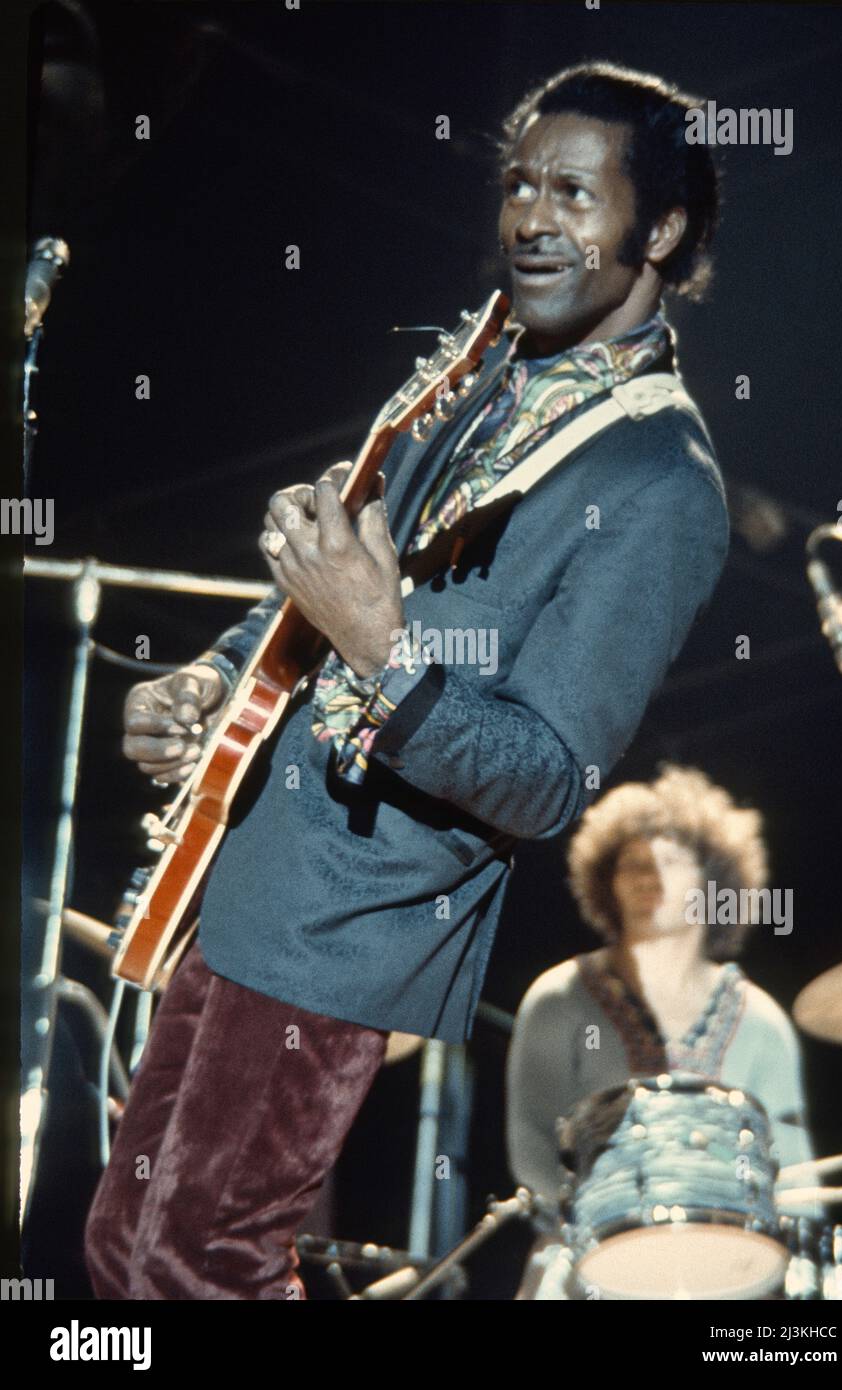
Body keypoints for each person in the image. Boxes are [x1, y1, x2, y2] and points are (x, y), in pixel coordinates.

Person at [85, 60, 730, 1300]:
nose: (532, 216)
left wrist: (385, 648)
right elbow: (322, 591)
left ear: (659, 228)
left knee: (191, 1266)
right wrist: (215, 685)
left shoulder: (659, 482)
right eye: (520, 184)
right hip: (243, 877)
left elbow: (545, 780)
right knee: (125, 1250)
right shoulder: (480, 372)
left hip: (341, 931)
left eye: (576, 195)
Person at [506, 765, 816, 1299]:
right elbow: (531, 1144)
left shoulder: (761, 1020)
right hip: (587, 1266)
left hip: (732, 1278)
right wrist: (598, 1230)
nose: (651, 879)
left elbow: (798, 1179)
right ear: (605, 882)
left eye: (671, 861)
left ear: (712, 880)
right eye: (632, 865)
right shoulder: (557, 999)